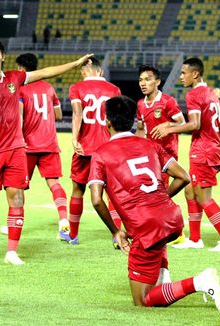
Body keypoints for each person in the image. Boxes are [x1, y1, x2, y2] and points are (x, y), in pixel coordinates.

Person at [88, 95, 220, 310]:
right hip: (171, 218)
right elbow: (183, 176)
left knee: (142, 300)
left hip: (146, 227)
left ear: (107, 122)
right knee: (157, 245)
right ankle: (164, 279)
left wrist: (115, 231)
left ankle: (199, 282)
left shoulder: (101, 154)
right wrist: (161, 199)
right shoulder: (150, 145)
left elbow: (97, 200)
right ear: (134, 121)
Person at [0, 37, 93, 265]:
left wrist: (75, 64)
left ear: (3, 56)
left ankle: (11, 252)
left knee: (16, 198)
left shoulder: (16, 78)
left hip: (17, 148)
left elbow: (46, 72)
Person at [150, 58, 220, 252]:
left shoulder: (194, 95)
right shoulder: (212, 94)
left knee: (204, 197)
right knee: (190, 190)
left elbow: (195, 124)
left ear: (195, 74)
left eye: (184, 73)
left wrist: (169, 129)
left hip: (203, 151)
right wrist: (218, 147)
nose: (181, 76)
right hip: (210, 148)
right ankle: (196, 239)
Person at [59, 57, 122, 246]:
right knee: (113, 193)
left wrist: (74, 138)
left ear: (83, 71)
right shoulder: (114, 90)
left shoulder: (77, 88)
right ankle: (117, 236)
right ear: (100, 71)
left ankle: (73, 236)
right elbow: (117, 118)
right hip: (108, 149)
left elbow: (78, 113)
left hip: (84, 148)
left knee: (78, 191)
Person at [15, 53, 70, 235]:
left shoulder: (21, 89)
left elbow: (19, 117)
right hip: (50, 144)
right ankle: (63, 219)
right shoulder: (49, 88)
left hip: (28, 146)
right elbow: (59, 115)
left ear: (22, 69)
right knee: (54, 183)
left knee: (18, 186)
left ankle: (15, 224)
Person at [136, 65, 185, 181]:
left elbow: (183, 124)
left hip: (166, 154)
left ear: (157, 82)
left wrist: (168, 126)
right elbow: (140, 128)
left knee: (160, 191)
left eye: (147, 79)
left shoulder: (168, 102)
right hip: (149, 153)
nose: (143, 83)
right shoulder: (140, 104)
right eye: (140, 80)